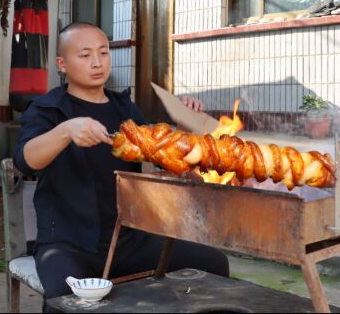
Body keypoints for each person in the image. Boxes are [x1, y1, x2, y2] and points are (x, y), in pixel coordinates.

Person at [13, 22, 229, 311]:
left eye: (103, 53)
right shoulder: (47, 109)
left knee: (213, 263)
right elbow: (25, 159)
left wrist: (183, 124)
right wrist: (66, 131)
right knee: (62, 302)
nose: (97, 62)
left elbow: (159, 154)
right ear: (62, 64)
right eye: (85, 54)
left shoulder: (125, 109)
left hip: (129, 240)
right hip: (67, 244)